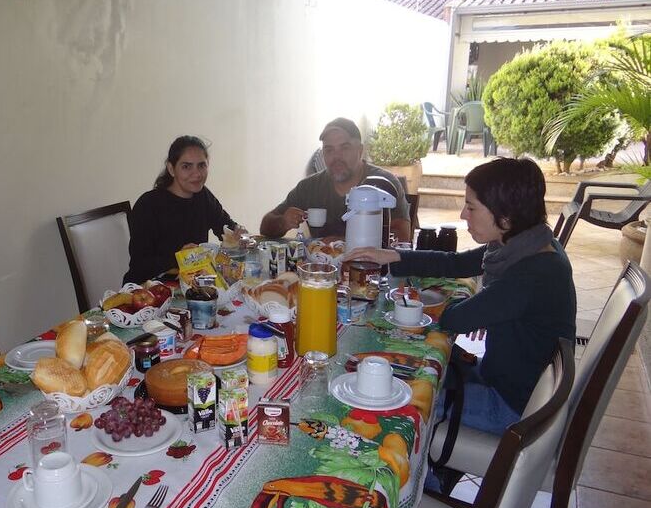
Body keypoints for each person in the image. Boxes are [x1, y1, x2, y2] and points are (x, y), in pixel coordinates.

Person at [344, 157, 576, 438]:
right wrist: (392, 256)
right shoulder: (529, 244)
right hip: (506, 380)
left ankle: (423, 476)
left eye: (472, 206)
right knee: (413, 370)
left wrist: (481, 306)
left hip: (510, 407)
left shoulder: (532, 273)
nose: (464, 215)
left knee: (392, 398)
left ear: (505, 218)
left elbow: (455, 318)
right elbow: (456, 263)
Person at [260, 117, 411, 242]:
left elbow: (403, 237)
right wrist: (283, 222)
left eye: (345, 148)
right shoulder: (309, 187)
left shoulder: (383, 183)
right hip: (319, 272)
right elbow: (266, 226)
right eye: (329, 150)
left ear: (360, 150)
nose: (336, 157)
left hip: (369, 271)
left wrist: (344, 242)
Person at [124, 136, 243, 284]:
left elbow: (225, 226)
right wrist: (179, 257)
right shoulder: (148, 204)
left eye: (201, 165)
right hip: (149, 289)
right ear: (171, 168)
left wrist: (237, 232)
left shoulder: (202, 195)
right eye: (186, 166)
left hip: (190, 283)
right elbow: (140, 264)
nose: (197, 174)